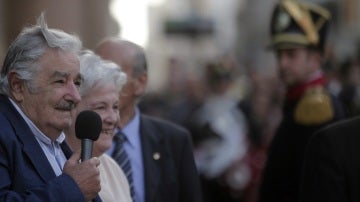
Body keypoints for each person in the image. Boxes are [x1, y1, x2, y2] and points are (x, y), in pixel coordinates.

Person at [0, 14, 101, 201]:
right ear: (17, 86)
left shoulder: (53, 138)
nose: (75, 96)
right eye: (60, 81)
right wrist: (72, 188)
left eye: (77, 83)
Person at [95, 37, 203, 202]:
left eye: (110, 74)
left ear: (140, 82)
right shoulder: (78, 138)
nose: (98, 82)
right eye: (94, 73)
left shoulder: (175, 142)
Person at [258, 1, 346, 202]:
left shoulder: (316, 108)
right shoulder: (297, 101)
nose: (282, 63)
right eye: (279, 54)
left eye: (291, 54)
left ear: (315, 59)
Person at [65, 50, 131, 202]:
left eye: (115, 107)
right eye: (101, 107)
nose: (112, 118)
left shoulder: (113, 168)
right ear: (71, 108)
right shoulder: (57, 164)